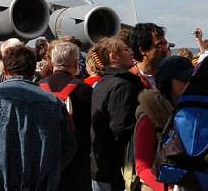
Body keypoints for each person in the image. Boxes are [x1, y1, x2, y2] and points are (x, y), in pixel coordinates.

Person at [0, 45, 76, 191]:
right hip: (40, 182)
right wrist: (50, 169)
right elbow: (68, 146)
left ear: (5, 71)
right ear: (32, 71)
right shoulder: (53, 102)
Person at [90, 37, 143, 191]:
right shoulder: (122, 85)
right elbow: (121, 128)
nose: (131, 51)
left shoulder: (104, 83)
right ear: (113, 57)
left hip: (101, 164)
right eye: (126, 49)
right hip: (114, 166)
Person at [132, 56, 192, 191]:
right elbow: (142, 166)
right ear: (167, 81)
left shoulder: (189, 111)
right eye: (183, 79)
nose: (188, 83)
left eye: (191, 79)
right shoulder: (150, 115)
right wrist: (166, 189)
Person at [39, 42, 93, 191]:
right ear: (76, 63)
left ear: (52, 61)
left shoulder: (37, 87)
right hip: (77, 162)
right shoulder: (85, 90)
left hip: (44, 160)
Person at [129, 23, 169, 89]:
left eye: (165, 44)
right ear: (143, 50)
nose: (165, 50)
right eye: (159, 45)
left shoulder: (169, 76)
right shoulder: (130, 81)